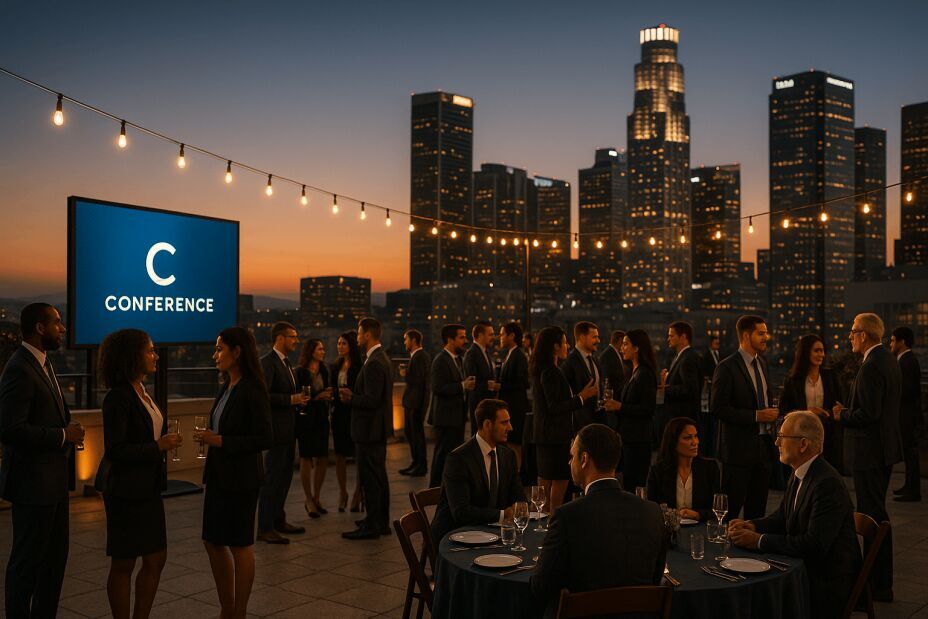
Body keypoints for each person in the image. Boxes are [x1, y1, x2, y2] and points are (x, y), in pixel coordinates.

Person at [729, 411, 861, 619]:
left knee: (755, 600)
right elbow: (782, 517)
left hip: (825, 581)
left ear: (803, 444)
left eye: (782, 436)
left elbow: (814, 546)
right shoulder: (801, 470)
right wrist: (752, 525)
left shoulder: (826, 483)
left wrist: (759, 541)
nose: (776, 443)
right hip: (805, 568)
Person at [531, 424, 665, 618]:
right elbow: (655, 578)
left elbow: (540, 586)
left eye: (572, 456)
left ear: (584, 459)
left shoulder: (566, 515)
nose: (569, 463)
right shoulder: (652, 511)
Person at [0, 303, 82, 618]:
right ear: (39, 327)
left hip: (54, 485)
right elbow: (10, 429)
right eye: (57, 323)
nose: (61, 329)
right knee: (27, 564)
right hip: (32, 486)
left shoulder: (44, 363)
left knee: (54, 562)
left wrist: (67, 433)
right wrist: (62, 436)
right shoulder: (19, 367)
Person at [96, 329, 181, 619]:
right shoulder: (117, 398)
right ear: (132, 356)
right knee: (123, 563)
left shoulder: (143, 391)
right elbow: (116, 450)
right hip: (125, 490)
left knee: (156, 558)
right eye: (150, 351)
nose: (155, 356)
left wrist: (161, 442)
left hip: (147, 488)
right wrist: (157, 446)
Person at [196, 327, 273, 619]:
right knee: (212, 541)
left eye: (219, 349)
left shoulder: (253, 388)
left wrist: (222, 441)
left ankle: (237, 611)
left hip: (242, 479)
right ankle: (227, 606)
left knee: (240, 545)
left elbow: (265, 438)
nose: (215, 355)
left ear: (237, 352)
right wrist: (213, 436)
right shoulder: (227, 385)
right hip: (219, 476)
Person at [834, 313, 902, 601]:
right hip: (883, 450)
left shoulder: (873, 365)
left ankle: (875, 584)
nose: (849, 336)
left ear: (864, 335)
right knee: (877, 513)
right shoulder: (888, 360)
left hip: (870, 452)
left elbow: (868, 414)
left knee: (872, 517)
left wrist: (841, 414)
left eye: (852, 331)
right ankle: (877, 582)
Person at [711, 315, 779, 520]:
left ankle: (752, 549)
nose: (766, 337)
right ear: (746, 336)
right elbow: (718, 408)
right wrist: (756, 416)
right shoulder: (727, 367)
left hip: (763, 448)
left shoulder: (763, 364)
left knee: (757, 513)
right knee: (729, 512)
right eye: (761, 333)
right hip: (737, 451)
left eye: (766, 333)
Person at [431, 399, 526, 542]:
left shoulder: (508, 455)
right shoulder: (458, 459)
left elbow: (520, 498)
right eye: (504, 422)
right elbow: (461, 512)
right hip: (456, 537)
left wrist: (516, 508)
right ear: (488, 424)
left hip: (493, 534)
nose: (510, 427)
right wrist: (503, 515)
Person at [532, 326, 597, 512]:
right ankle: (551, 526)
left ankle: (544, 526)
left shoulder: (547, 369)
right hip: (553, 437)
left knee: (546, 485)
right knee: (557, 484)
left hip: (549, 436)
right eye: (564, 342)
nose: (567, 346)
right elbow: (554, 406)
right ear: (555, 346)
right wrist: (582, 397)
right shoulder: (550, 371)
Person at [340, 317, 394, 540]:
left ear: (368, 335)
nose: (358, 337)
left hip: (369, 431)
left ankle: (373, 525)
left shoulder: (374, 363)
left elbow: (372, 400)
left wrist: (351, 398)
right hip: (376, 430)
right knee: (378, 477)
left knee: (371, 479)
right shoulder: (381, 358)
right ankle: (379, 521)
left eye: (360, 333)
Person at [257, 322, 308, 544]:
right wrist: (290, 400)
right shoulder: (267, 363)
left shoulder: (287, 364)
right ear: (280, 338)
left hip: (289, 431)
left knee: (285, 477)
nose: (296, 340)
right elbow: (263, 396)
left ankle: (279, 519)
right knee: (273, 479)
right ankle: (265, 527)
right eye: (292, 336)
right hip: (276, 432)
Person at [778, 334, 843, 470]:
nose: (821, 354)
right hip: (801, 438)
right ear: (806, 352)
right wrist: (808, 412)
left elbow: (839, 404)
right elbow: (783, 411)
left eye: (822, 350)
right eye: (817, 350)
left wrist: (831, 412)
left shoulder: (830, 376)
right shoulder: (793, 380)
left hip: (827, 436)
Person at [428, 324, 476, 487]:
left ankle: (448, 488)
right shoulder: (440, 360)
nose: (465, 340)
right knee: (442, 456)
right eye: (461, 337)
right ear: (450, 340)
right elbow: (437, 388)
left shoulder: (459, 360)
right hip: (445, 418)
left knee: (452, 456)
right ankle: (434, 490)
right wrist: (462, 386)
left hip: (457, 417)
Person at [646, 417, 719, 521]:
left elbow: (718, 509)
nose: (695, 442)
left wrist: (698, 514)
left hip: (701, 529)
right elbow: (652, 509)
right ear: (673, 442)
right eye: (687, 438)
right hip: (668, 530)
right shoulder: (658, 471)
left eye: (695, 436)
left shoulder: (710, 468)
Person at [612, 329, 658, 491]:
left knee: (634, 484)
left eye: (625, 344)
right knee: (628, 482)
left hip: (639, 440)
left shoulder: (644, 373)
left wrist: (619, 406)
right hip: (630, 439)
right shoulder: (635, 371)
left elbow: (647, 409)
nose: (621, 348)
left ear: (637, 348)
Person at [294, 339, 333, 519]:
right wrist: (319, 396)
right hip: (306, 419)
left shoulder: (324, 369)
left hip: (321, 419)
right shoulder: (300, 372)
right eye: (319, 348)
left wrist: (327, 395)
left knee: (323, 458)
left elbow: (327, 391)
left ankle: (317, 497)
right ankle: (308, 499)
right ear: (311, 351)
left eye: (323, 348)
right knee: (306, 458)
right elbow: (302, 397)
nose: (322, 351)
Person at [332, 331, 363, 512]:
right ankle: (343, 492)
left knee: (358, 455)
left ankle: (358, 492)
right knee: (340, 455)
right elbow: (333, 388)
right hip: (339, 415)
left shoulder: (358, 366)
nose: (340, 346)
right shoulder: (336, 366)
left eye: (343, 343)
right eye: (338, 343)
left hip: (354, 413)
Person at [890, 326, 922, 502]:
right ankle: (909, 486)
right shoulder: (906, 360)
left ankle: (912, 489)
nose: (891, 344)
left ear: (902, 341)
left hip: (907, 416)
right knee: (909, 453)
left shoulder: (907, 361)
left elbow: (908, 389)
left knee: (910, 453)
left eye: (893, 340)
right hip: (908, 414)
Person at [498, 322, 530, 473]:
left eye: (502, 334)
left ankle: (516, 477)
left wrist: (501, 386)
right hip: (511, 407)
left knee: (515, 445)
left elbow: (523, 382)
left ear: (512, 336)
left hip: (516, 408)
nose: (500, 337)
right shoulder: (511, 354)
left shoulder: (518, 355)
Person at [562, 321, 604, 430]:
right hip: (580, 424)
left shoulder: (595, 359)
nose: (598, 340)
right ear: (582, 337)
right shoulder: (569, 362)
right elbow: (564, 398)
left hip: (598, 421)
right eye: (594, 337)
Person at [400, 329, 431, 478]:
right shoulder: (419, 356)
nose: (404, 342)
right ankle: (416, 463)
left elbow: (417, 381)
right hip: (414, 402)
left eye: (406, 339)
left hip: (415, 403)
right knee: (412, 433)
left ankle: (420, 465)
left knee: (416, 434)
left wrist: (405, 374)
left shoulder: (419, 357)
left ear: (413, 341)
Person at [660, 321, 702, 422]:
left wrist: (665, 387)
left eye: (671, 336)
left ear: (683, 337)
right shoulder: (681, 356)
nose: (668, 339)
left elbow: (689, 389)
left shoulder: (688, 359)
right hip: (679, 417)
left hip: (683, 418)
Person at [465, 321, 497, 435]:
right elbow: (471, 383)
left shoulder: (485, 352)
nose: (493, 337)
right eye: (490, 334)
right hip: (478, 404)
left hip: (487, 404)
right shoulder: (471, 353)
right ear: (480, 335)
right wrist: (488, 385)